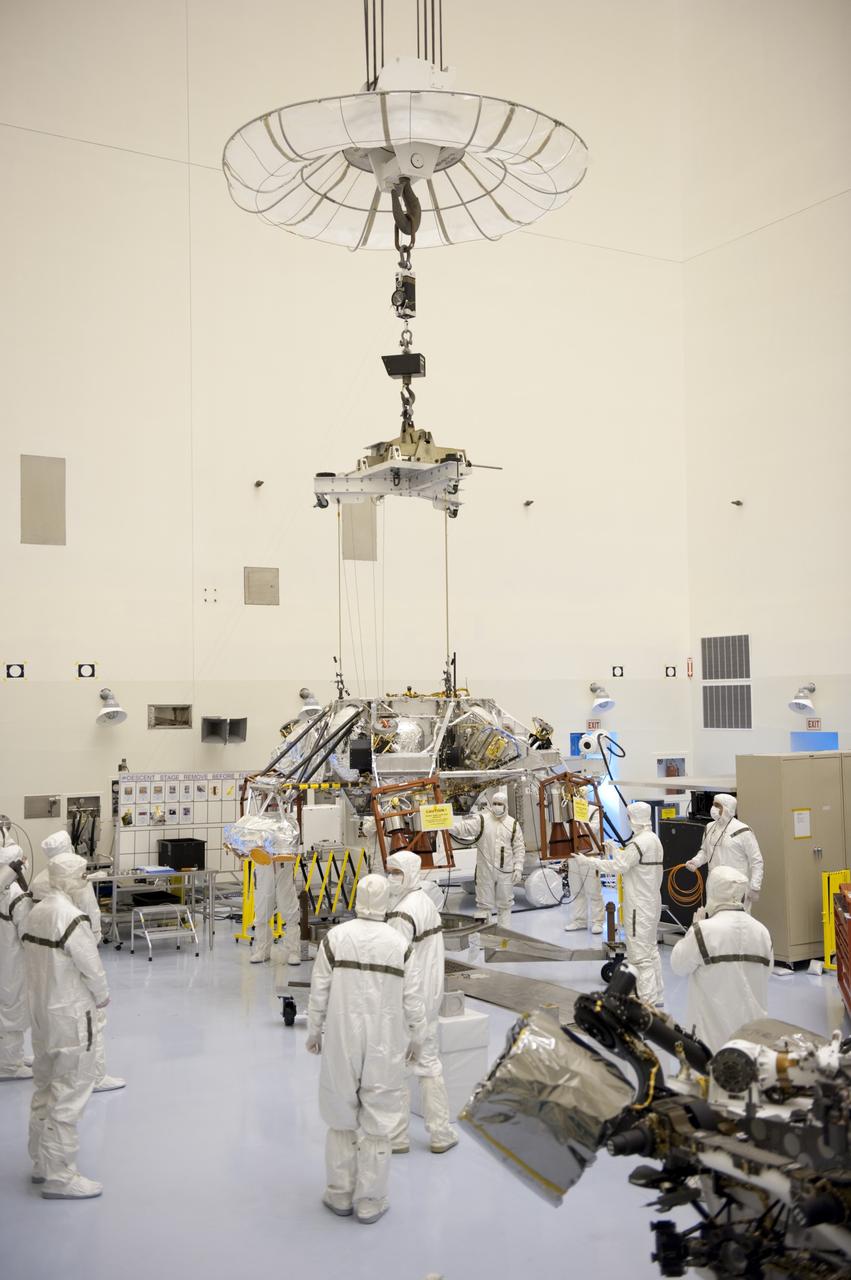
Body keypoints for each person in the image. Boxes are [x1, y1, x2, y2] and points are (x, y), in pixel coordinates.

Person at [305, 874, 427, 1225]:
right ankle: (371, 1201)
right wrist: (418, 1037)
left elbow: (319, 990)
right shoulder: (398, 943)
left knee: (340, 1115)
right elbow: (413, 999)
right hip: (384, 1041)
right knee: (378, 1121)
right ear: (386, 899)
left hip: (342, 1037)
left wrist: (314, 1031)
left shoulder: (335, 938)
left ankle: (339, 1193)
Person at [21, 851, 110, 1198]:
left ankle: (41, 1162)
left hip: (42, 1015)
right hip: (71, 1016)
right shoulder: (71, 917)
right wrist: (102, 997)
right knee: (70, 1091)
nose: (85, 882)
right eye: (83, 877)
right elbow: (91, 966)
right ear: (71, 879)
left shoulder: (36, 912)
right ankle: (61, 1176)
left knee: (44, 1086)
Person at [31, 831, 125, 1092]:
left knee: (52, 1023)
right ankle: (94, 1077)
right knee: (90, 1020)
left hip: (45, 960)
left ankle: (56, 1074)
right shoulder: (74, 880)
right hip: (76, 953)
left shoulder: (40, 879)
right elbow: (91, 918)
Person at [385, 850, 458, 1155]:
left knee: (398, 1068)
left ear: (411, 873)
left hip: (409, 997)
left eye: (397, 872)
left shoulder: (402, 913)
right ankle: (440, 1132)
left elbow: (394, 960)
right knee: (428, 1063)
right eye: (390, 871)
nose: (391, 877)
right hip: (429, 994)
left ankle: (397, 1136)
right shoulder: (425, 900)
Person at [670, 865, 773, 1052]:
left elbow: (678, 965)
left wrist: (693, 929)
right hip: (752, 1043)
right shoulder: (762, 932)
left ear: (713, 891)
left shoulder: (704, 931)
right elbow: (766, 973)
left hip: (710, 1044)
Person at [574, 801, 664, 1005]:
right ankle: (657, 994)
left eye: (629, 817)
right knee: (650, 950)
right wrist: (616, 849)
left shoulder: (639, 843)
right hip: (651, 902)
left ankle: (646, 1002)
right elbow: (633, 863)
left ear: (635, 819)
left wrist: (589, 862)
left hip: (638, 906)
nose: (628, 821)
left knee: (639, 956)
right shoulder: (653, 839)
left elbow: (619, 866)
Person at [449, 790, 525, 927]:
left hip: (505, 872)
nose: (497, 806)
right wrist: (446, 826)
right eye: (494, 803)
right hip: (485, 871)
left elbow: (519, 848)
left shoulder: (512, 824)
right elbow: (463, 828)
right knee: (484, 906)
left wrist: (518, 868)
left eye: (500, 804)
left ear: (505, 805)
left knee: (505, 905)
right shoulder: (482, 820)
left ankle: (504, 937)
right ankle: (485, 937)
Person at [685, 793, 764, 907]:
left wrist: (755, 887)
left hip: (736, 887)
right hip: (714, 885)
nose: (713, 809)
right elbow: (705, 851)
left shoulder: (743, 831)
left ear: (727, 808)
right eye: (713, 805)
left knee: (736, 921)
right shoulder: (709, 827)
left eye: (717, 806)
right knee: (714, 919)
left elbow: (756, 861)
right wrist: (696, 861)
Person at [0, 843, 33, 1079]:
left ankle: (11, 1056)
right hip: (11, 960)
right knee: (13, 1006)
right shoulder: (15, 894)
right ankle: (10, 1065)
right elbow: (27, 933)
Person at [563, 854, 605, 934]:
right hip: (572, 856)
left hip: (590, 855)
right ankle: (580, 921)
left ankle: (597, 922)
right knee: (577, 891)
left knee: (594, 891)